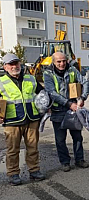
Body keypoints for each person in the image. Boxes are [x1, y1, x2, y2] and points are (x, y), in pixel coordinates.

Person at [0, 53, 45, 186]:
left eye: (16, 63)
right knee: (13, 150)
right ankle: (13, 174)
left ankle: (34, 170)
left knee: (33, 148)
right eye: (11, 64)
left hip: (31, 119)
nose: (14, 66)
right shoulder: (1, 82)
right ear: (5, 67)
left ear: (20, 64)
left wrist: (45, 107)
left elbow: (41, 94)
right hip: (12, 121)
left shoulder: (30, 79)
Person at [43, 52, 89, 172]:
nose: (62, 63)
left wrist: (82, 98)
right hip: (58, 111)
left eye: (64, 61)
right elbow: (51, 92)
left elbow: (85, 82)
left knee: (77, 137)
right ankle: (65, 162)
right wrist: (69, 104)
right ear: (53, 62)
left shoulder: (73, 70)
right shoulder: (48, 73)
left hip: (74, 111)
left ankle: (79, 159)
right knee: (60, 139)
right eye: (58, 61)